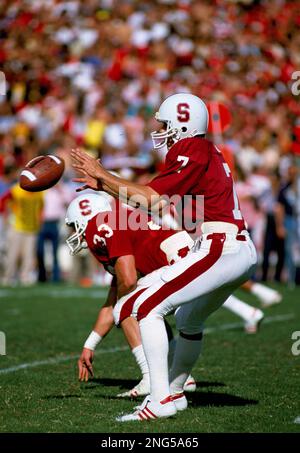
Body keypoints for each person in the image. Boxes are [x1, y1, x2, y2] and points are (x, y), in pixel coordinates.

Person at [71, 93, 257, 421]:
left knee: (145, 307)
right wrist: (105, 185)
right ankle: (175, 392)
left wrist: (103, 173)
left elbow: (152, 200)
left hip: (221, 245)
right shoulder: (204, 149)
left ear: (183, 124)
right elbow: (149, 201)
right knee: (187, 320)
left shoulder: (190, 148)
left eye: (166, 125)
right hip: (231, 246)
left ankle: (159, 401)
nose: (162, 132)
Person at [65, 192, 196, 396]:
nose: (75, 232)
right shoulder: (116, 224)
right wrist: (89, 346)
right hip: (181, 259)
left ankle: (150, 378)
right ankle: (182, 378)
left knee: (127, 306)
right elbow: (110, 304)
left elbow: (127, 283)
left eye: (74, 226)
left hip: (177, 262)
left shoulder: (99, 226)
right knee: (146, 311)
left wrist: (121, 303)